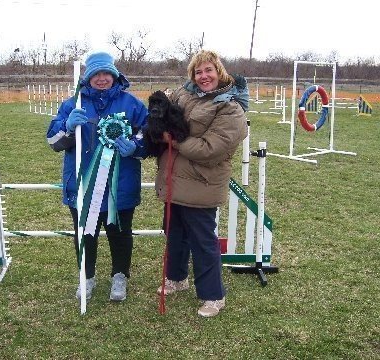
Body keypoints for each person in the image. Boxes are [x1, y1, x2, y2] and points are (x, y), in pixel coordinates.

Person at [46, 52, 148, 302]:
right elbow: (53, 141)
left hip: (120, 186)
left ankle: (120, 277)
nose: (102, 79)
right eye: (96, 74)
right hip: (83, 185)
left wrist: (137, 146)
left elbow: (150, 135)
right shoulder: (73, 104)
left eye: (106, 74)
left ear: (115, 75)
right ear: (87, 77)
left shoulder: (132, 104)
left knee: (120, 234)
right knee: (85, 235)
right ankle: (87, 277)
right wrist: (67, 128)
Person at [155, 50, 249, 317]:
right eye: (198, 72)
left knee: (203, 241)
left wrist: (170, 139)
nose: (203, 76)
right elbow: (162, 111)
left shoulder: (230, 108)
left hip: (202, 182)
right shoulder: (184, 95)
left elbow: (211, 148)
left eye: (208, 70)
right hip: (174, 179)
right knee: (174, 234)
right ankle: (177, 278)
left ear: (219, 72)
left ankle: (213, 296)